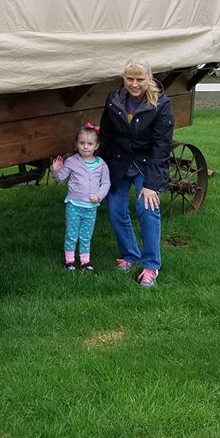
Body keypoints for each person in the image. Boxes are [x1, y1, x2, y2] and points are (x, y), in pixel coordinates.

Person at [98, 58, 174, 288]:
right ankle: (130, 254)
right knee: (115, 208)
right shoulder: (114, 99)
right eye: (129, 78)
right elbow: (106, 135)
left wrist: (152, 184)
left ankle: (151, 265)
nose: (134, 84)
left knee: (147, 209)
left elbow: (162, 147)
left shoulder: (161, 104)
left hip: (146, 163)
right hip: (119, 162)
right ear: (123, 79)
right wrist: (93, 165)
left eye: (140, 79)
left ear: (149, 78)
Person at [51, 123, 111, 272]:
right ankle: (70, 261)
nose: (85, 147)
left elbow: (106, 183)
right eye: (82, 143)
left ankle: (85, 262)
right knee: (71, 235)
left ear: (96, 146)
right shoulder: (72, 161)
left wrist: (99, 196)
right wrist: (55, 171)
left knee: (86, 236)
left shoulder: (101, 165)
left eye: (90, 144)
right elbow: (60, 179)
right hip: (73, 205)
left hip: (91, 208)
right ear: (76, 144)